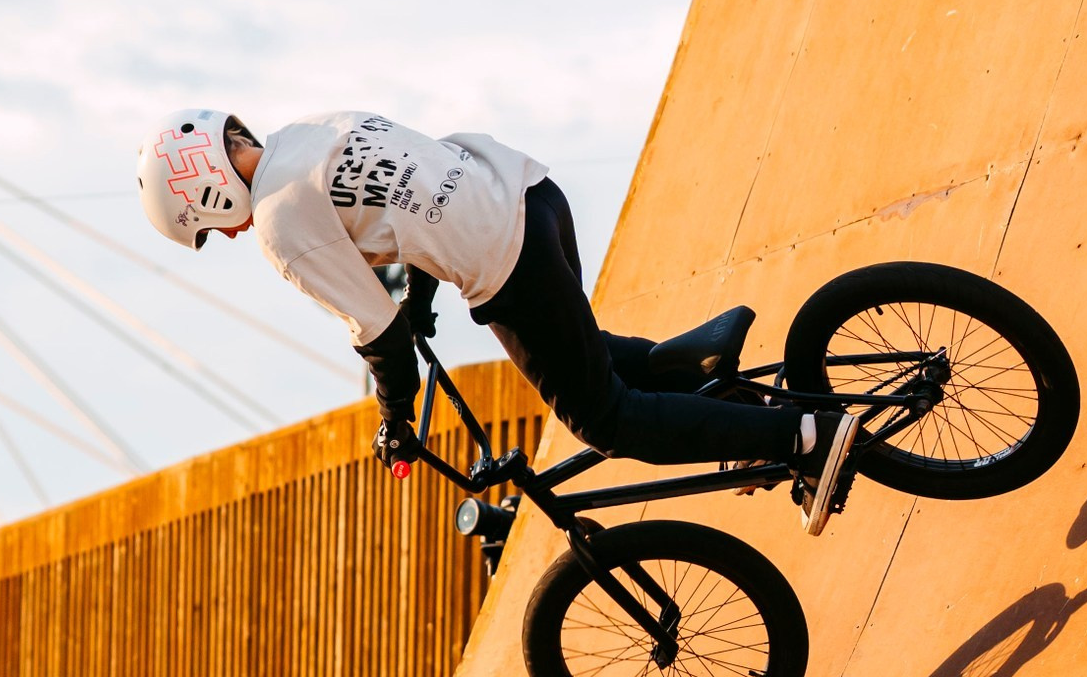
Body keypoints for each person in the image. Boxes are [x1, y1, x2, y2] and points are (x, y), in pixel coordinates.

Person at [137, 107, 823, 481]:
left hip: (507, 257)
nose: (228, 235)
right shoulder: (313, 130)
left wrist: (396, 421)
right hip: (532, 196)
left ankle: (797, 437)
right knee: (588, 357)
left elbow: (379, 336)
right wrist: (420, 302)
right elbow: (413, 198)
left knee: (605, 420)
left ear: (203, 190)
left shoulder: (279, 221)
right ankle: (725, 389)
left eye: (209, 227)